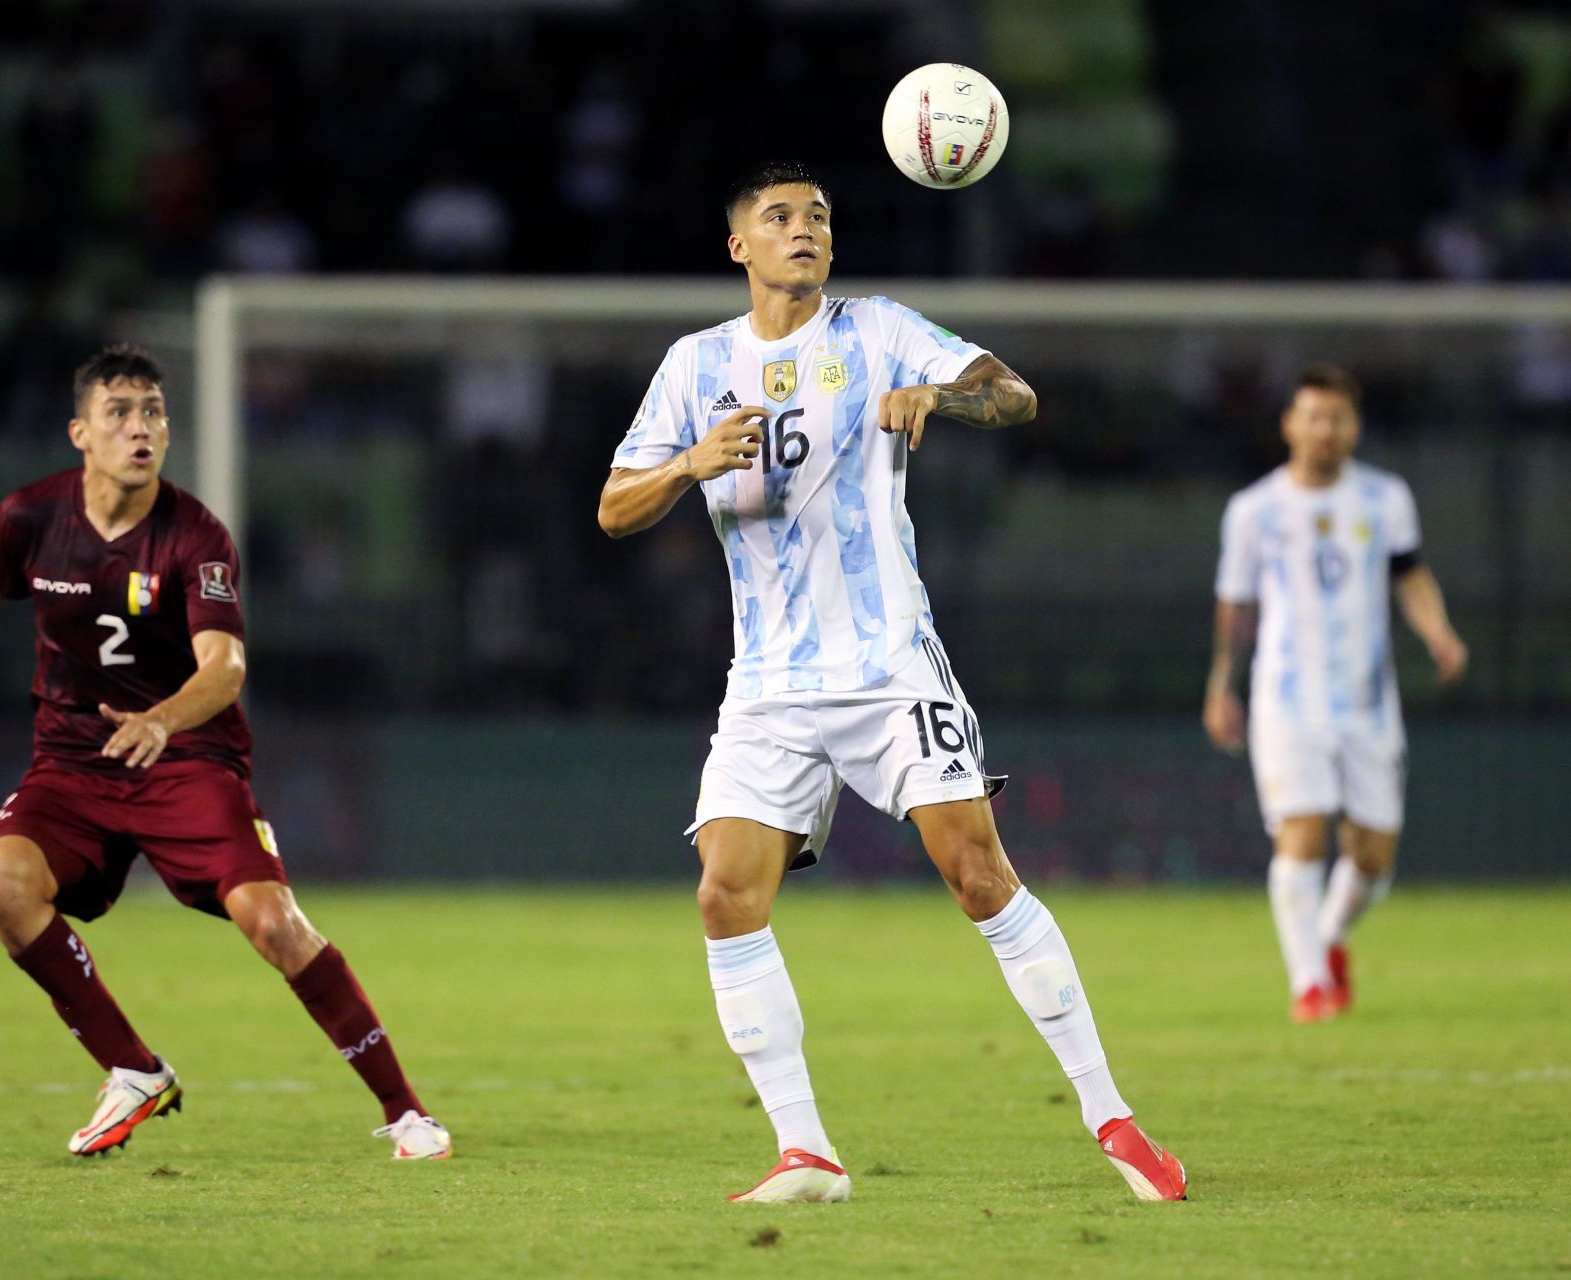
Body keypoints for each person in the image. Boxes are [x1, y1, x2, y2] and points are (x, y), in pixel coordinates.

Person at [597, 163, 1185, 1205]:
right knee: (726, 894)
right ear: (740, 246)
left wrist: (945, 392)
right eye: (778, 217)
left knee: (975, 873)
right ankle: (806, 1151)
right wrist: (689, 465)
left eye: (818, 216)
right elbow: (612, 506)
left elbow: (1016, 392)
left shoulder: (879, 331)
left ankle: (1115, 1121)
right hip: (767, 683)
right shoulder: (695, 366)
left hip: (887, 662)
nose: (804, 230)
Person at [0, 345, 450, 1161]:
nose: (140, 427)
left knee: (273, 922)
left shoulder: (196, 535)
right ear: (81, 432)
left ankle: (407, 1114)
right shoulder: (30, 517)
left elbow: (225, 668)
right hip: (73, 766)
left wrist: (162, 718)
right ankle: (132, 1069)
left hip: (187, 763)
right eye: (119, 412)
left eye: (153, 410)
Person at [1204, 364, 1468, 1022]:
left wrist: (1438, 631)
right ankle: (1309, 984)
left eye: (1338, 418)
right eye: (1313, 416)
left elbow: (1411, 576)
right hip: (1287, 701)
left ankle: (1328, 937)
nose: (1325, 429)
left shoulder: (1385, 499)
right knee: (1300, 835)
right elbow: (1235, 608)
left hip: (1368, 702)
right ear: (1290, 424)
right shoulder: (1253, 511)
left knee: (1373, 858)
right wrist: (1221, 686)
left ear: (1354, 428)